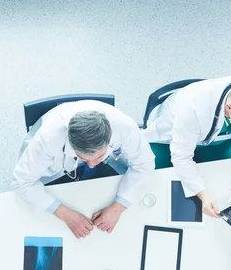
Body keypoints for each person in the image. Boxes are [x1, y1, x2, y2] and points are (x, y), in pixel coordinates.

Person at [13, 100, 155, 238]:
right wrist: (64, 213)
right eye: (84, 158)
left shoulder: (123, 126)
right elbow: (22, 181)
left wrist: (118, 207)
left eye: (99, 156)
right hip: (54, 171)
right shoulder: (49, 138)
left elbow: (145, 164)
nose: (92, 164)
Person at [143, 76, 231, 217]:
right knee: (162, 192)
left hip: (218, 142)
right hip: (167, 142)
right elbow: (181, 157)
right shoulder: (193, 105)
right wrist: (202, 193)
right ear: (229, 108)